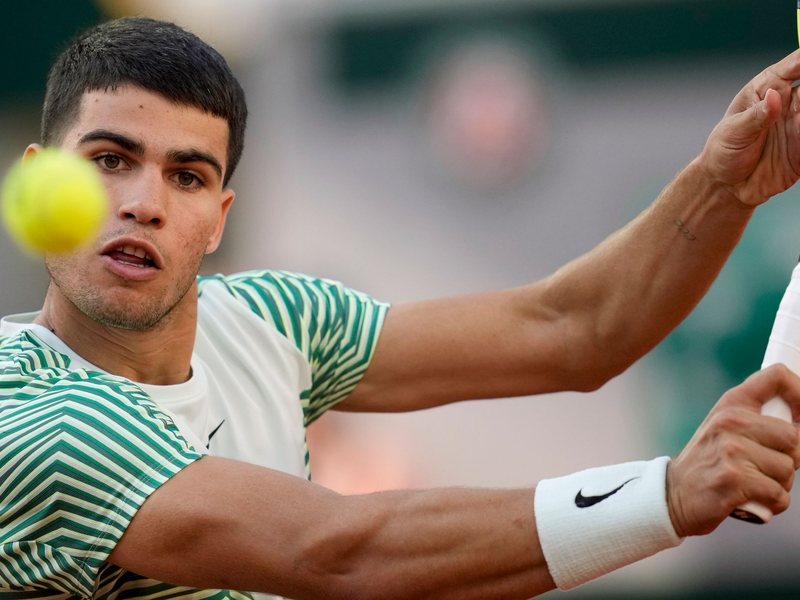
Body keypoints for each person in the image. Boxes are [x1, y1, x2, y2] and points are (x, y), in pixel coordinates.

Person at [2, 16, 800, 600]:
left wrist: (726, 183)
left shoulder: (270, 321)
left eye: (187, 177)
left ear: (218, 219)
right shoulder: (31, 415)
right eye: (110, 159)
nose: (144, 203)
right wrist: (665, 495)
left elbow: (572, 330)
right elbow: (336, 553)